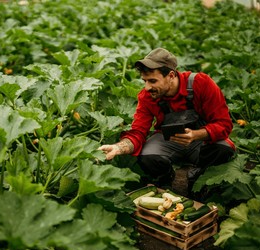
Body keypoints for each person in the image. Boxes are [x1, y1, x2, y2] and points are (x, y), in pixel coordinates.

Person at [98, 48, 235, 193]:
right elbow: (138, 132)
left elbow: (224, 124)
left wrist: (196, 135)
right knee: (147, 156)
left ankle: (199, 178)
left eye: (152, 81)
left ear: (170, 75)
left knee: (224, 149)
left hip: (202, 139)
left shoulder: (201, 83)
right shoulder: (147, 96)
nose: (147, 87)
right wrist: (118, 148)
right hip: (169, 140)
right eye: (144, 81)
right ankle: (166, 181)